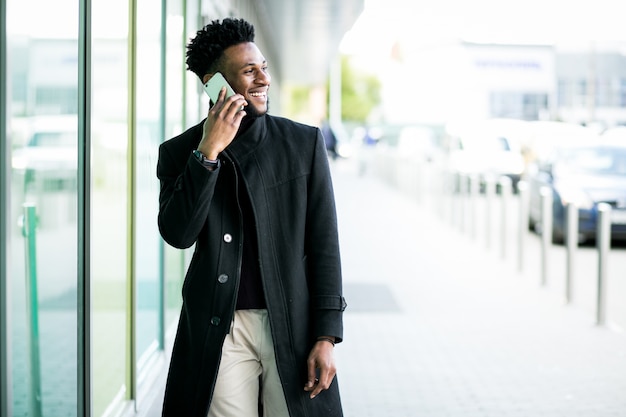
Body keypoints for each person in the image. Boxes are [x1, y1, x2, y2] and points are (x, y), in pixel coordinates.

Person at [156, 17, 346, 417]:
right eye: (249, 71)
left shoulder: (302, 143)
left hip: (291, 323)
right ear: (214, 84)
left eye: (264, 67)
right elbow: (178, 233)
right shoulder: (180, 153)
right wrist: (207, 153)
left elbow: (325, 245)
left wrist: (327, 335)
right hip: (219, 328)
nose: (264, 79)